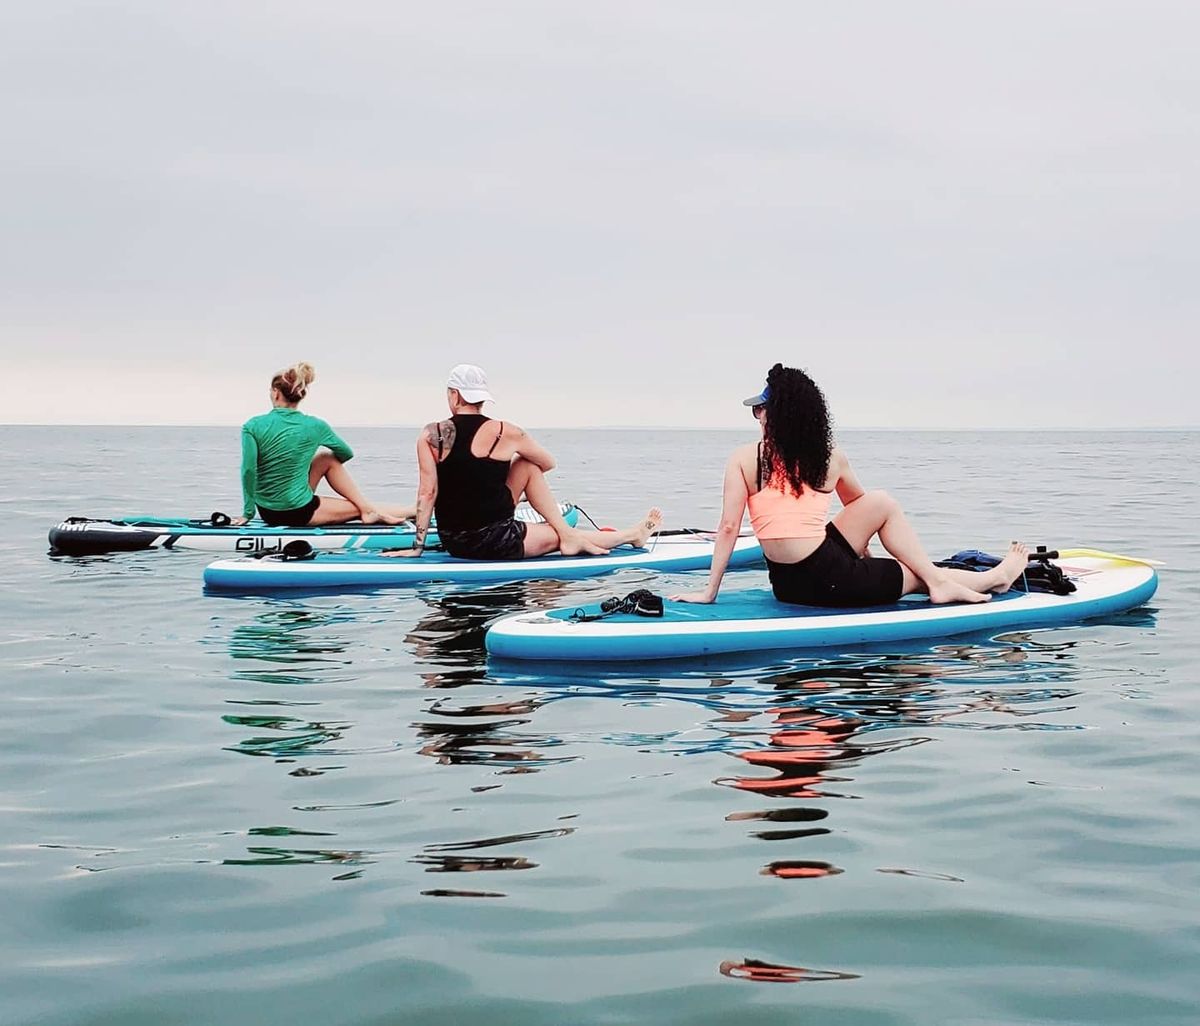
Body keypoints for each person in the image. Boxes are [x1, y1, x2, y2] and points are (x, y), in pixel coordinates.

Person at [674, 363, 1029, 607]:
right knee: (913, 571)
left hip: (786, 584)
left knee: (880, 503)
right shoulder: (830, 458)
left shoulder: (743, 458)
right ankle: (994, 579)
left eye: (761, 409)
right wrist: (868, 568)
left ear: (780, 414)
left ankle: (955, 581)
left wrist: (710, 592)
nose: (758, 417)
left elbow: (729, 528)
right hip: (829, 581)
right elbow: (860, 512)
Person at [387, 364, 661, 560]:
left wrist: (417, 547)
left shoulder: (430, 434)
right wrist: (499, 491)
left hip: (456, 540)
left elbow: (427, 493)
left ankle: (574, 535)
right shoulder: (509, 432)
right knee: (546, 507)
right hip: (495, 540)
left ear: (454, 395)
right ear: (482, 399)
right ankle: (631, 535)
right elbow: (547, 463)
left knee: (531, 480)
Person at [235, 362, 413, 527]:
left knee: (325, 459)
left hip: (267, 511)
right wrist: (300, 465)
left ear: (275, 392)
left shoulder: (253, 425)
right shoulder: (315, 426)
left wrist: (248, 513)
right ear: (300, 395)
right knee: (360, 505)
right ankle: (415, 511)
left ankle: (371, 510)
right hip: (297, 511)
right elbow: (346, 453)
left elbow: (249, 470)